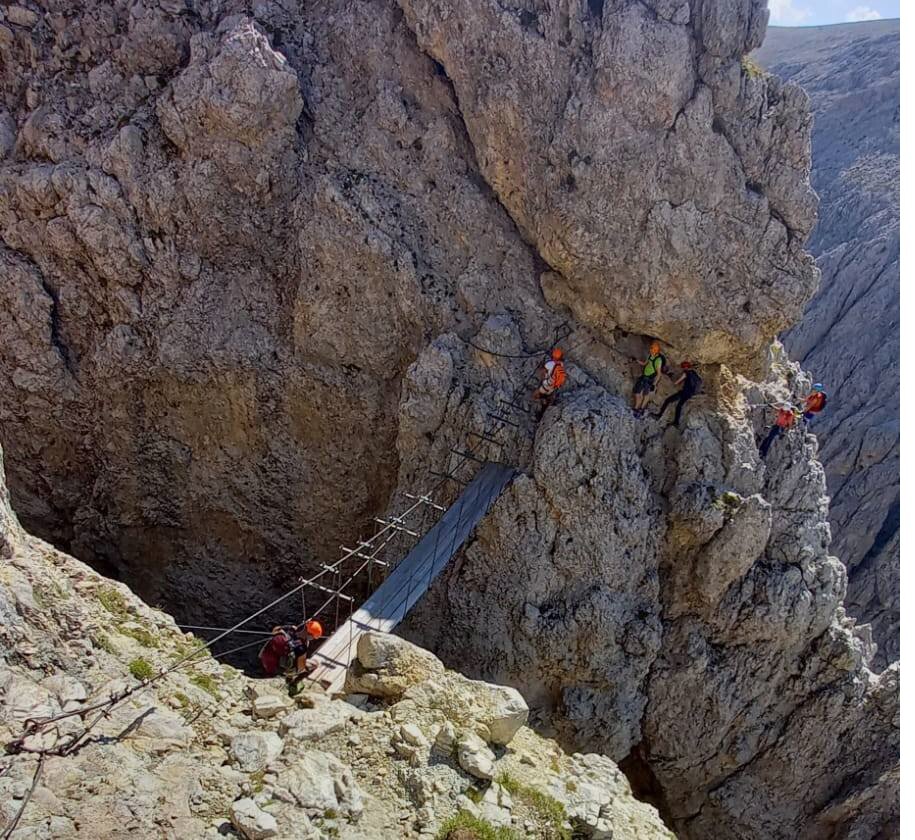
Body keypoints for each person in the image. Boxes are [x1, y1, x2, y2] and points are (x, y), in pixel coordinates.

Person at [259, 619, 323, 687]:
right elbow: (300, 668)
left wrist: (287, 626)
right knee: (314, 664)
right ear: (310, 636)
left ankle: (285, 676)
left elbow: (274, 630)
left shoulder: (290, 631)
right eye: (313, 637)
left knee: (291, 659)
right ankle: (292, 683)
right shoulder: (302, 648)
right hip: (280, 668)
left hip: (266, 659)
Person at [653, 361, 702, 427]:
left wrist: (671, 379)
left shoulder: (686, 373)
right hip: (690, 394)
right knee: (679, 406)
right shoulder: (694, 373)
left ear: (684, 367)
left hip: (684, 392)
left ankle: (659, 415)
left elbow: (677, 382)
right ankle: (676, 422)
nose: (682, 369)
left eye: (682, 367)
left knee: (668, 400)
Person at [633, 341, 665, 417]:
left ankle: (641, 409)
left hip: (649, 379)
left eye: (652, 348)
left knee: (645, 394)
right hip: (644, 376)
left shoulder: (658, 360)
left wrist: (654, 384)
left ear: (656, 350)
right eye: (651, 348)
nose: (650, 349)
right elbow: (645, 364)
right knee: (637, 392)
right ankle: (636, 408)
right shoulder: (650, 355)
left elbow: (659, 373)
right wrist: (637, 361)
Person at [532, 348, 566, 419]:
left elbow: (543, 371)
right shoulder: (561, 365)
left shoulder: (550, 363)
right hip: (553, 386)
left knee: (536, 394)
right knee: (547, 396)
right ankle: (543, 409)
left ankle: (536, 408)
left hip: (546, 384)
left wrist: (541, 368)